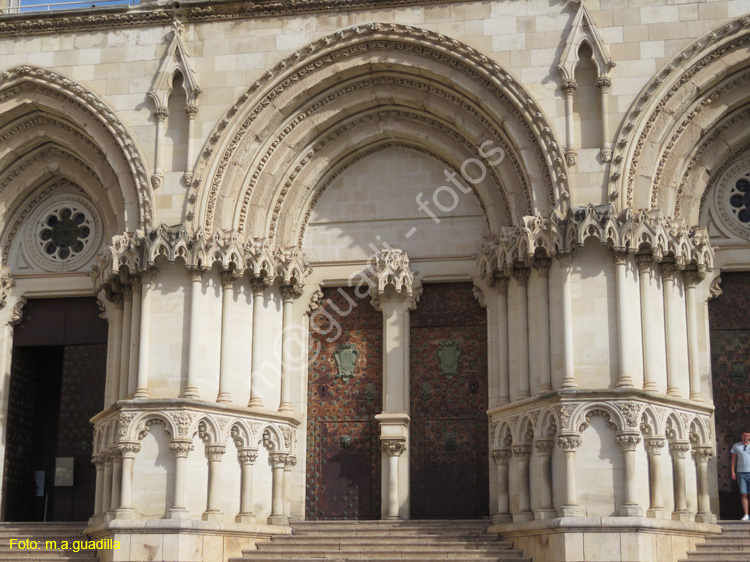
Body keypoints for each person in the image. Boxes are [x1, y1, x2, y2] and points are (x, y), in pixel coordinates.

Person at [731, 431, 750, 520]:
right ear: (741, 436)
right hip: (741, 472)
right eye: (744, 435)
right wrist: (732, 471)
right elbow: (733, 459)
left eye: (747, 435)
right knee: (744, 493)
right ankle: (746, 514)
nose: (745, 437)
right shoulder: (736, 446)